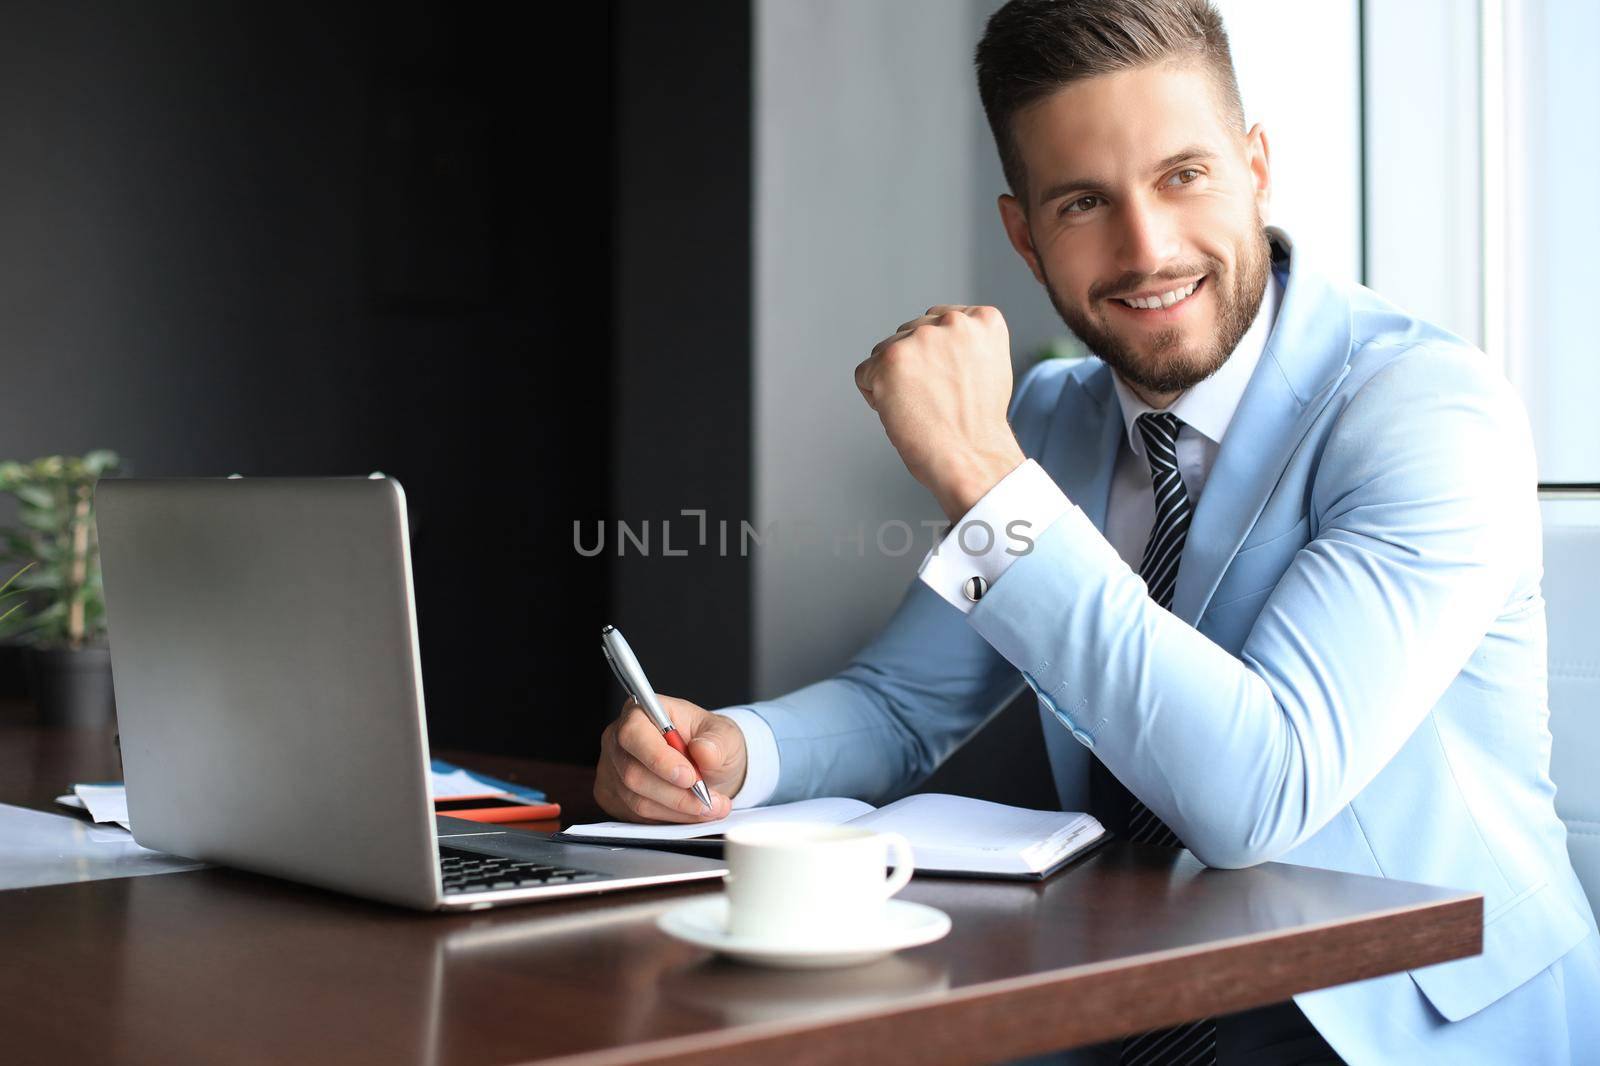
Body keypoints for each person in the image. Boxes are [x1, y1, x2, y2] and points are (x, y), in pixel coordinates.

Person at [592, 1, 1600, 1062]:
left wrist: (981, 475)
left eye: (1183, 175)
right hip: (1137, 997)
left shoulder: (1425, 410)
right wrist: (729, 755)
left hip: (1409, 1018)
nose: (1147, 247)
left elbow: (1259, 795)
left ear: (1255, 168)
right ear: (1024, 236)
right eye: (1083, 202)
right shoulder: (1050, 419)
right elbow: (907, 703)